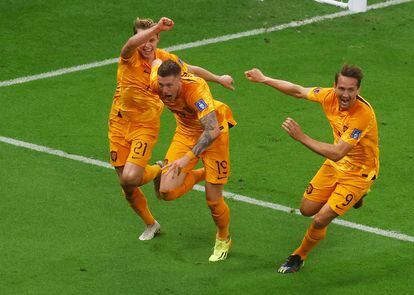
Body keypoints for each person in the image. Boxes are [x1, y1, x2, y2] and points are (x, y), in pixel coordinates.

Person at [108, 17, 234, 241]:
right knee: (127, 187)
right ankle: (151, 224)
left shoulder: (164, 62)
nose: (147, 44)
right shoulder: (129, 57)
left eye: (153, 39)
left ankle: (158, 169)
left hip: (145, 126)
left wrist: (218, 78)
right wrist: (154, 28)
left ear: (158, 39)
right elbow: (129, 45)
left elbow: (189, 70)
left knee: (130, 178)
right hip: (118, 123)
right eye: (143, 39)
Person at [245, 65, 379, 273]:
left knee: (320, 219)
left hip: (359, 172)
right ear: (334, 86)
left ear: (358, 90)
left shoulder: (362, 115)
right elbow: (298, 90)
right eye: (341, 88)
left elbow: (337, 152)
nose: (345, 94)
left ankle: (299, 255)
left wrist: (301, 137)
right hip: (336, 166)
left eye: (351, 90)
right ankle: (355, 197)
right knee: (306, 210)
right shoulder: (328, 96)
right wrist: (264, 79)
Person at [149, 59, 236, 261]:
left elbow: (212, 130)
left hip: (214, 132)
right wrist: (219, 78)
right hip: (186, 132)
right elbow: (160, 62)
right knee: (166, 192)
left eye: (169, 85)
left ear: (180, 80)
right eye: (161, 85)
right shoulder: (157, 81)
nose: (164, 90)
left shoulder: (196, 91)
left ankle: (223, 237)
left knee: (213, 201)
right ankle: (203, 173)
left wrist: (187, 158)